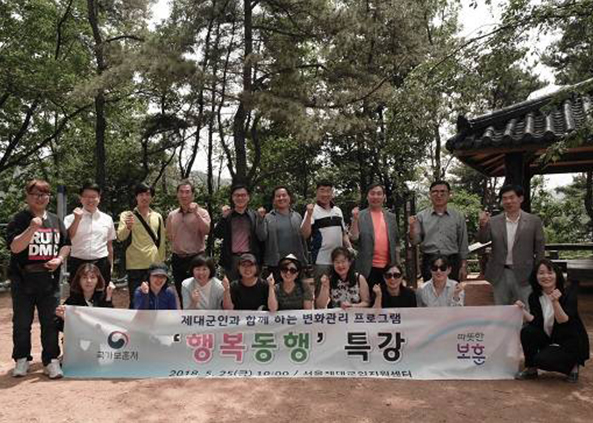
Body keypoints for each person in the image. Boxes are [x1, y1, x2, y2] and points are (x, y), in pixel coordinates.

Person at [7, 179, 70, 379]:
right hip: (23, 280)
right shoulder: (19, 219)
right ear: (27, 196)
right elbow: (15, 247)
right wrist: (31, 229)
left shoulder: (56, 220)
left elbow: (66, 244)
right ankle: (22, 359)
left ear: (49, 197)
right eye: (35, 194)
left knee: (50, 321)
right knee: (22, 321)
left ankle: (51, 360)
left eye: (44, 194)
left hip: (49, 280)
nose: (40, 198)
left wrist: (59, 259)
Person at [515, 259, 589, 382]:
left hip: (569, 340)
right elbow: (537, 322)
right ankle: (531, 369)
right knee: (527, 331)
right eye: (541, 273)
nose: (546, 276)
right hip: (551, 336)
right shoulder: (534, 296)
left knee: (542, 360)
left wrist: (555, 302)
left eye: (550, 273)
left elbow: (563, 320)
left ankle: (573, 366)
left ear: (557, 275)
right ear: (535, 276)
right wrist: (521, 310)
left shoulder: (568, 293)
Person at [477, 184, 545, 307]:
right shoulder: (493, 221)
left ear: (521, 199)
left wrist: (539, 271)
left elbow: (540, 248)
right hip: (499, 273)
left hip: (525, 273)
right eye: (504, 198)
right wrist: (483, 225)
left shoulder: (534, 221)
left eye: (512, 197)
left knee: (526, 309)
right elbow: (483, 240)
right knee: (501, 310)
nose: (508, 201)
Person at [409, 180, 469, 282]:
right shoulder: (421, 216)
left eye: (442, 192)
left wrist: (463, 266)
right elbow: (415, 241)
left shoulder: (458, 217)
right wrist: (411, 228)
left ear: (449, 194)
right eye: (435, 192)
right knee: (429, 291)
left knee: (452, 290)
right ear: (430, 194)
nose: (439, 195)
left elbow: (463, 242)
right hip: (429, 260)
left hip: (452, 261)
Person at [117, 183, 166, 308]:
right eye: (141, 194)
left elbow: (161, 241)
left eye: (148, 194)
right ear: (136, 197)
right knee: (136, 300)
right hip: (135, 264)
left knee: (155, 299)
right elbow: (120, 237)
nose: (144, 197)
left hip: (153, 264)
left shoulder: (157, 217)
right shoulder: (127, 215)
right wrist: (128, 227)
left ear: (152, 197)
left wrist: (161, 264)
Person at [166, 179, 211, 307]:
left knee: (199, 292)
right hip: (178, 259)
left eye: (187, 192)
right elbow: (168, 234)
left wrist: (196, 214)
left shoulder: (202, 213)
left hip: (196, 258)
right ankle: (185, 316)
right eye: (181, 192)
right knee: (181, 291)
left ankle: (200, 317)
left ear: (193, 195)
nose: (184, 195)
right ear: (177, 194)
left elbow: (207, 230)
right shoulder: (172, 215)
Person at [64, 182, 116, 284]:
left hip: (101, 263)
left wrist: (111, 266)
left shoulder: (107, 219)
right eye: (87, 196)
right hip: (78, 262)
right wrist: (77, 219)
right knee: (76, 292)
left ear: (99, 198)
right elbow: (68, 239)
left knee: (102, 292)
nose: (90, 200)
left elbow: (109, 245)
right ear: (81, 198)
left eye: (93, 197)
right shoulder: (70, 218)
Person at [349, 183, 399, 290]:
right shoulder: (360, 216)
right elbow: (354, 238)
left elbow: (395, 243)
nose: (375, 197)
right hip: (367, 267)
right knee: (367, 297)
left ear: (384, 197)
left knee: (386, 298)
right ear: (367, 196)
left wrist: (396, 266)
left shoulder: (391, 218)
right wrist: (355, 220)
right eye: (372, 193)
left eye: (379, 194)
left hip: (388, 268)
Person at [301, 180, 351, 280]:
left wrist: (349, 247)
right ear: (317, 192)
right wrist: (309, 215)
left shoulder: (338, 210)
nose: (325, 194)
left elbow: (343, 233)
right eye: (322, 190)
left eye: (328, 191)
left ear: (332, 193)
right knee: (321, 288)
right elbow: (304, 234)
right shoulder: (312, 211)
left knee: (338, 288)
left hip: (339, 261)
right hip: (321, 261)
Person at [213, 184, 262, 281]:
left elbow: (261, 238)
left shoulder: (255, 216)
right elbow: (217, 234)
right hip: (232, 259)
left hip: (250, 257)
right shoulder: (227, 215)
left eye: (243, 195)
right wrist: (223, 218)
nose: (240, 198)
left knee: (251, 286)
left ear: (248, 197)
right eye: (237, 195)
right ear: (232, 197)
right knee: (232, 287)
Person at [256, 186, 308, 277]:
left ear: (289, 198)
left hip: (296, 262)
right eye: (278, 196)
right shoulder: (268, 217)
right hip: (275, 264)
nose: (281, 198)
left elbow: (304, 239)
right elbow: (261, 237)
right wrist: (260, 220)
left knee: (297, 286)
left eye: (284, 195)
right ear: (273, 200)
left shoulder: (297, 216)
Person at [55, 263, 115, 331]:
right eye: (84, 277)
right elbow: (61, 327)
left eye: (92, 277)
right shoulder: (72, 300)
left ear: (98, 280)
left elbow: (110, 320)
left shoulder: (103, 297)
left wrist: (109, 297)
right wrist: (64, 317)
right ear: (79, 280)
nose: (88, 281)